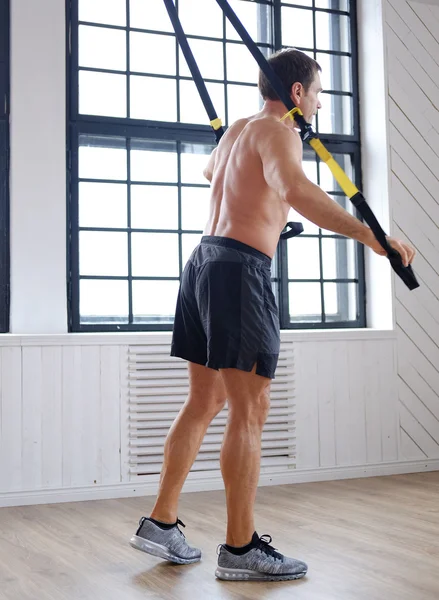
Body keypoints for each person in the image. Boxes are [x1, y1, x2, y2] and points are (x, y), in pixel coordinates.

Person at [130, 48, 416, 582]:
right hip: (238, 270)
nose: (322, 105)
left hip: (202, 263)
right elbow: (296, 190)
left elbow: (211, 171)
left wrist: (263, 208)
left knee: (205, 399)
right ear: (298, 93)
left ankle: (161, 522)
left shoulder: (238, 130)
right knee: (250, 406)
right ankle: (240, 550)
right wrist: (371, 236)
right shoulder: (281, 131)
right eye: (320, 93)